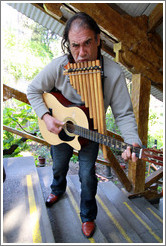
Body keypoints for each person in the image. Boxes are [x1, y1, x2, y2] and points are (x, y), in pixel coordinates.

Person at [27, 12, 142, 238]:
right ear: (68, 45)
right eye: (75, 46)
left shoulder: (112, 73)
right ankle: (57, 190)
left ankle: (88, 216)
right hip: (60, 129)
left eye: (87, 43)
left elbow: (124, 114)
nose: (81, 54)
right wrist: (46, 117)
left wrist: (132, 140)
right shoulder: (59, 66)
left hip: (89, 134)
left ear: (98, 39)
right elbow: (33, 90)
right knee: (58, 166)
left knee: (88, 175)